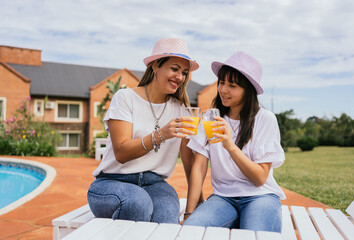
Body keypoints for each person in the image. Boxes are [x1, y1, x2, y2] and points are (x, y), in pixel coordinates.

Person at [87, 38, 199, 224]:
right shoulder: (125, 98)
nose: (180, 77)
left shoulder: (181, 109)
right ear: (156, 66)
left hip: (156, 184)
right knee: (138, 202)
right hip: (112, 183)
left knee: (167, 214)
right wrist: (161, 135)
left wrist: (196, 202)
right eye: (174, 69)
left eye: (184, 72)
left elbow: (189, 161)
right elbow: (121, 153)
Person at [182, 51, 286, 233]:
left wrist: (229, 146)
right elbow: (199, 168)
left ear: (248, 90)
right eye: (221, 82)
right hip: (223, 198)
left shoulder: (265, 119)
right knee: (190, 231)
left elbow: (260, 178)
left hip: (260, 196)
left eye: (233, 85)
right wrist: (189, 213)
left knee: (253, 235)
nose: (223, 90)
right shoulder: (210, 118)